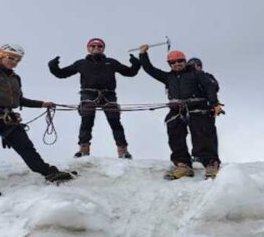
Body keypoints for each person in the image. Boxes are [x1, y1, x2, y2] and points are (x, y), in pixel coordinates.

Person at [0, 43, 75, 198]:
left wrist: (42, 104)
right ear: (0, 55)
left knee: (26, 147)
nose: (14, 62)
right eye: (11, 58)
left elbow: (19, 100)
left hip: (7, 117)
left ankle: (49, 173)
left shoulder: (14, 77)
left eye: (17, 60)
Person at [138, 45, 223, 179]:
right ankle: (183, 165)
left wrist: (215, 103)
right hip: (177, 111)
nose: (177, 64)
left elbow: (210, 86)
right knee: (175, 135)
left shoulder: (197, 73)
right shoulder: (168, 77)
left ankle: (211, 164)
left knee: (202, 136)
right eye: (173, 62)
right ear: (169, 64)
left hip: (198, 109)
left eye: (180, 61)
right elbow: (150, 70)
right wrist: (143, 54)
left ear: (185, 61)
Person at [48, 38, 140, 158]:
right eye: (93, 46)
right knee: (87, 119)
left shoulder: (111, 62)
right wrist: (53, 66)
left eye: (99, 46)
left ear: (103, 48)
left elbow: (130, 72)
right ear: (88, 48)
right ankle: (83, 149)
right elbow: (61, 73)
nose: (96, 48)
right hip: (88, 94)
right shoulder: (81, 63)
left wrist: (136, 63)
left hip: (108, 94)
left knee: (115, 121)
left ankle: (123, 150)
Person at [187, 57, 221, 163]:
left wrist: (213, 102)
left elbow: (214, 87)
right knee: (195, 133)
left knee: (208, 133)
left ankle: (212, 157)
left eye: (196, 66)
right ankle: (197, 155)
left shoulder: (207, 76)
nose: (194, 68)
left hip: (206, 109)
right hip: (193, 110)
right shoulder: (189, 79)